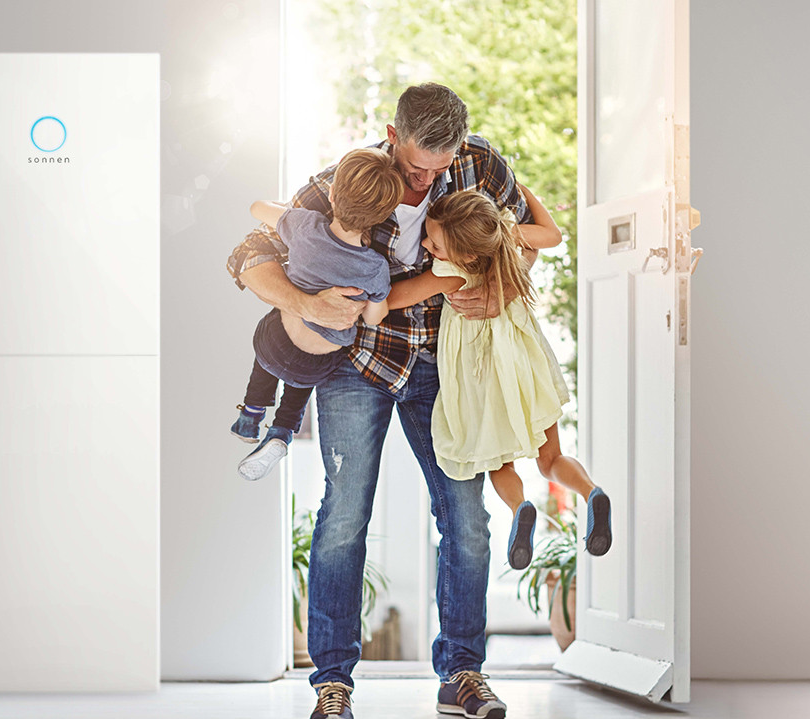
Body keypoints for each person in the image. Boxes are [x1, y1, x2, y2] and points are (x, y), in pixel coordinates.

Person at [227, 83, 548, 719]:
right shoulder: (345, 184)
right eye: (414, 166)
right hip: (358, 362)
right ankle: (333, 682)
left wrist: (505, 290)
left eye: (438, 168)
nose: (424, 181)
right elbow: (246, 255)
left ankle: (462, 674)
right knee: (344, 515)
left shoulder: (480, 166)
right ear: (392, 137)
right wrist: (306, 303)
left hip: (445, 362)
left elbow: (519, 243)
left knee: (466, 515)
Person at [386, 188, 612, 571]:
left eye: (435, 244)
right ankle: (592, 493)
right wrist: (526, 193)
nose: (425, 244)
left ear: (466, 255)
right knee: (551, 458)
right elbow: (553, 235)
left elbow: (395, 297)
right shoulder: (506, 237)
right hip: (527, 368)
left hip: (484, 379)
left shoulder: (451, 273)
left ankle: (519, 507)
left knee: (499, 464)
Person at [230, 148, 403, 481]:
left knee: (274, 330)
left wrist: (286, 210)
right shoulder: (375, 268)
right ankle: (282, 430)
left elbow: (256, 208)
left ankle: (250, 415)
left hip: (274, 347)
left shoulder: (305, 225)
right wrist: (371, 300)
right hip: (317, 366)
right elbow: (373, 319)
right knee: (308, 371)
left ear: (333, 196)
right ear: (382, 217)